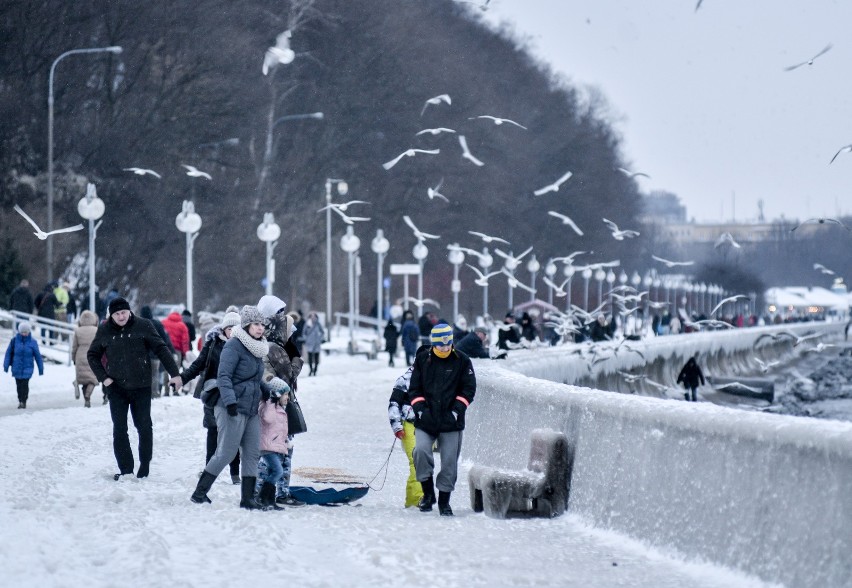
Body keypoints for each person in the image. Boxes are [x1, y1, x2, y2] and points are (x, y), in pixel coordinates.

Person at [87, 297, 182, 480]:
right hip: (116, 387)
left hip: (141, 386)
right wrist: (104, 378)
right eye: (116, 314)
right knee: (120, 429)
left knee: (144, 426)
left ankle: (144, 466)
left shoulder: (143, 325)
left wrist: (175, 373)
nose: (121, 317)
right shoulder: (105, 330)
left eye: (124, 312)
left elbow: (161, 348)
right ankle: (126, 470)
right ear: (111, 316)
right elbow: (92, 355)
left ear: (130, 311)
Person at [190, 305, 271, 510]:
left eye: (262, 324)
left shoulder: (257, 347)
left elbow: (253, 376)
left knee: (252, 453)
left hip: (251, 407)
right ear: (246, 325)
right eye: (256, 324)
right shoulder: (234, 345)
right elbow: (224, 376)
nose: (260, 328)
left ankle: (247, 499)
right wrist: (230, 402)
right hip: (230, 406)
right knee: (226, 453)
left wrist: (266, 388)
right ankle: (199, 494)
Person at [407, 323, 476, 516]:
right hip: (426, 419)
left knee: (449, 462)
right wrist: (420, 410)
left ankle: (444, 501)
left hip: (451, 421)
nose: (445, 348)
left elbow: (469, 389)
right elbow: (414, 389)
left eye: (448, 344)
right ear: (434, 344)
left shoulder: (462, 361)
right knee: (420, 452)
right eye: (441, 345)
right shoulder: (422, 360)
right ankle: (428, 494)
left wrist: (456, 410)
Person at [180, 311, 242, 484]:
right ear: (224, 329)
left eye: (236, 328)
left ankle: (235, 473)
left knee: (233, 434)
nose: (233, 331)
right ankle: (209, 470)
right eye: (230, 328)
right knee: (213, 432)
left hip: (234, 395)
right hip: (213, 394)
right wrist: (183, 378)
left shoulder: (244, 345)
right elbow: (199, 364)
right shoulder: (213, 344)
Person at [256, 294, 306, 507]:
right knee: (279, 450)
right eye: (279, 313)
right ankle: (274, 492)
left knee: (270, 450)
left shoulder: (262, 342)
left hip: (270, 405)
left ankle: (264, 491)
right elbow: (287, 377)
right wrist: (297, 360)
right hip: (276, 406)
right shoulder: (274, 347)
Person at [388, 366, 424, 508]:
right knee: (417, 462)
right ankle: (420, 497)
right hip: (409, 426)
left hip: (427, 426)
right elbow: (394, 403)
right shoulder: (404, 380)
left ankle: (411, 502)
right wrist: (397, 425)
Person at [257, 377, 292, 510]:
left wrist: (286, 441)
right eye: (285, 394)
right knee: (278, 471)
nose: (287, 397)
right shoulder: (267, 405)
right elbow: (268, 419)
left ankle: (269, 501)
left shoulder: (279, 407)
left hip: (275, 446)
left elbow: (281, 429)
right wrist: (270, 401)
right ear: (277, 394)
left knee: (274, 471)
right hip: (267, 446)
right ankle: (261, 497)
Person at [4, 321, 44, 409]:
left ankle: (24, 401)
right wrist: (6, 365)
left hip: (28, 368)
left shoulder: (33, 342)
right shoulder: (14, 341)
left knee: (25, 385)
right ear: (19, 332)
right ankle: (20, 400)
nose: (24, 334)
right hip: (16, 368)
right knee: (18, 386)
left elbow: (38, 356)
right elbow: (8, 354)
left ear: (29, 332)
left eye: (26, 332)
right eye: (22, 332)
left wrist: (41, 368)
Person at [139, 305, 176, 398]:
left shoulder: (138, 324)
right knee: (155, 373)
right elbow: (164, 338)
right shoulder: (158, 324)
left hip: (141, 354)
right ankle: (154, 392)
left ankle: (144, 393)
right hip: (155, 354)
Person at [72, 310, 100, 407]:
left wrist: (73, 358)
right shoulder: (96, 330)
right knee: (92, 379)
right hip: (92, 356)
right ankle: (88, 395)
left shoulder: (78, 331)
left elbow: (74, 347)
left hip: (80, 356)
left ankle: (77, 385)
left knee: (83, 379)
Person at [161, 309, 190, 394]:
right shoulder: (182, 325)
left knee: (165, 370)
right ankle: (175, 390)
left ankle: (166, 391)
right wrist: (185, 353)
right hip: (177, 351)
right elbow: (185, 341)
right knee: (175, 371)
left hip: (165, 349)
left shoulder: (164, 322)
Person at [301, 311, 325, 376]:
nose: (313, 318)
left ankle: (315, 370)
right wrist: (306, 339)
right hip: (309, 343)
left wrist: (320, 338)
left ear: (316, 317)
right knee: (310, 358)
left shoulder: (318, 324)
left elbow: (322, 332)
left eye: (314, 316)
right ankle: (311, 370)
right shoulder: (307, 324)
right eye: (312, 316)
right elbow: (304, 333)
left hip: (317, 343)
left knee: (316, 358)